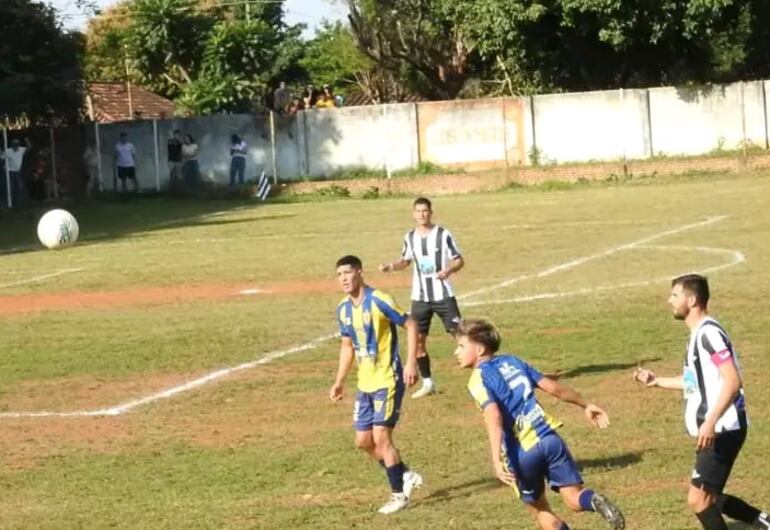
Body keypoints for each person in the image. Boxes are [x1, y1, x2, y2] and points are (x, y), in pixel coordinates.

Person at [455, 318, 625, 530]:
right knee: (574, 498)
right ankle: (593, 500)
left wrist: (497, 461)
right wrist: (586, 404)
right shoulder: (514, 361)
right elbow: (553, 387)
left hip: (522, 453)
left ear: (479, 349)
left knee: (541, 509)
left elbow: (494, 417)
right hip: (550, 438)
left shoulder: (477, 380)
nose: (456, 352)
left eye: (461, 346)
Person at [633, 274, 769, 530]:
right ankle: (762, 521)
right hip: (715, 430)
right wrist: (657, 381)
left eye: (674, 295)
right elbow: (695, 384)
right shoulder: (697, 335)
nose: (669, 300)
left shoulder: (709, 335)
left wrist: (710, 421)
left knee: (699, 501)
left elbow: (732, 380)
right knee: (710, 496)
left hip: (722, 430)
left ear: (692, 300)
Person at [329, 255, 424, 515]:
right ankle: (404, 474)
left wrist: (410, 363)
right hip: (365, 383)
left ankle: (398, 495)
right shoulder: (343, 309)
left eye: (348, 272)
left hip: (388, 379)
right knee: (363, 441)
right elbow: (347, 346)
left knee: (382, 438)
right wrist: (339, 381)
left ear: (360, 272)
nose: (344, 279)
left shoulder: (379, 299)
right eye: (339, 275)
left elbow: (411, 323)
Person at [379, 197, 464, 398]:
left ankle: (484, 374)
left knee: (461, 336)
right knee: (417, 341)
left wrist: (448, 270)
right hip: (420, 298)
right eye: (418, 211)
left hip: (443, 295)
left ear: (431, 212)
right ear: (413, 214)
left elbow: (459, 261)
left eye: (425, 211)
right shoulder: (409, 237)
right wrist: (390, 267)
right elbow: (405, 260)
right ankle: (428, 383)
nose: (422, 214)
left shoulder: (443, 234)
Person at [2, 137, 32, 207]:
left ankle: (17, 203)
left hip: (17, 171)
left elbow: (29, 148)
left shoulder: (21, 150)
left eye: (17, 145)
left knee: (19, 186)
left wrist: (27, 140)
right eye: (15, 145)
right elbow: (2, 157)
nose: (16, 146)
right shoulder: (8, 151)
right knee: (10, 187)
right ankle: (9, 203)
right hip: (10, 172)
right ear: (12, 145)